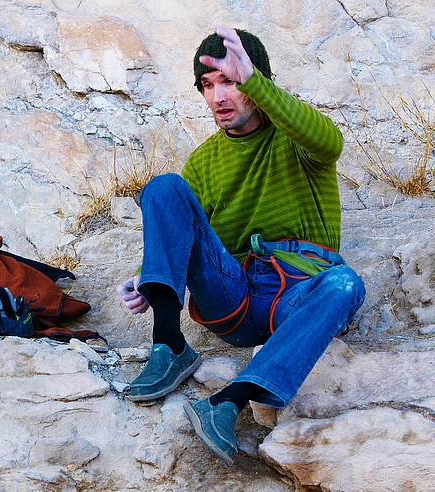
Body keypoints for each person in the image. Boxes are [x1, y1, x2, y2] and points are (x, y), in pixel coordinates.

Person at [116, 25, 366, 466]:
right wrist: (148, 275)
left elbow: (330, 140)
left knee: (345, 284)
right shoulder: (205, 161)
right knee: (163, 187)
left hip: (297, 294)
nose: (218, 98)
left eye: (229, 81)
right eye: (208, 86)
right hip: (235, 297)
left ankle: (227, 402)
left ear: (257, 82)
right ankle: (169, 346)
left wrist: (255, 81)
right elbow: (185, 230)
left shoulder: (299, 140)